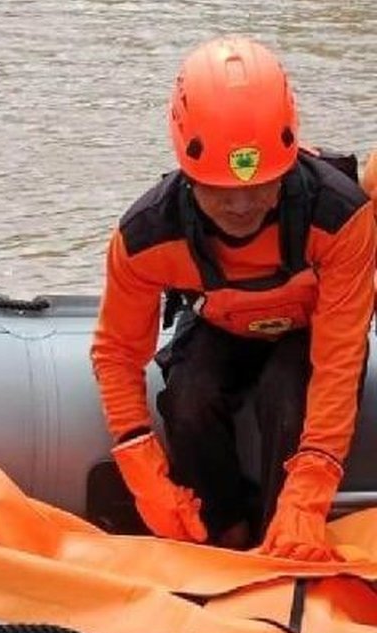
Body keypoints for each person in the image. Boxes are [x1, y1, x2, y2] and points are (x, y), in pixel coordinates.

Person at [90, 36, 376, 561]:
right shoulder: (145, 236)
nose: (242, 204)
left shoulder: (340, 217)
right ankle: (223, 537)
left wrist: (308, 498)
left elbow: (338, 358)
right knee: (188, 400)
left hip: (307, 329)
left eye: (262, 183)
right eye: (220, 188)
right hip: (219, 323)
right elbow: (116, 354)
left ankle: (283, 542)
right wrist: (142, 470)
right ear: (186, 165)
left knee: (288, 399)